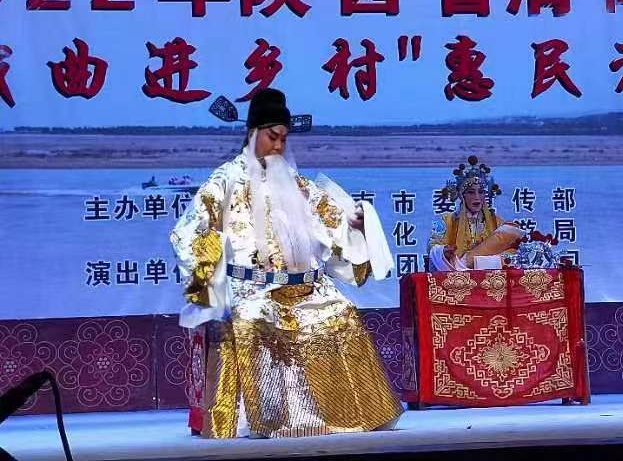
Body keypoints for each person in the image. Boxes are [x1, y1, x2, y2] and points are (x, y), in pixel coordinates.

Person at [171, 88, 402, 438]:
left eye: (283, 138)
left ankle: (346, 414)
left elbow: (333, 219)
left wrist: (355, 223)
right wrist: (211, 283)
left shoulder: (297, 183)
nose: (278, 146)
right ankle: (270, 419)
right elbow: (189, 232)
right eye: (272, 137)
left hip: (305, 287)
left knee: (341, 311)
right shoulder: (225, 181)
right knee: (253, 319)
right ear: (253, 133)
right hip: (252, 288)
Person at [427, 155, 524, 271]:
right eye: (471, 192)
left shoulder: (496, 222)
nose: (477, 197)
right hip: (456, 276)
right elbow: (433, 247)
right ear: (462, 196)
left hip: (489, 277)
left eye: (481, 192)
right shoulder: (447, 221)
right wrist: (443, 251)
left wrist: (484, 262)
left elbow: (512, 250)